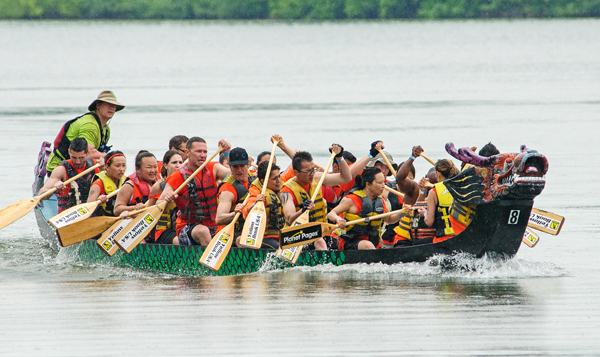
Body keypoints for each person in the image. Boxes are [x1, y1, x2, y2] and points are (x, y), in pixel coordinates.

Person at [158, 137, 232, 246]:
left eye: (205, 152)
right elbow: (159, 204)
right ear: (187, 153)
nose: (202, 155)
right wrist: (168, 200)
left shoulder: (214, 168)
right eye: (198, 151)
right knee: (203, 231)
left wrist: (226, 153)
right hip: (188, 227)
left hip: (214, 224)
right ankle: (210, 261)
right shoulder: (178, 176)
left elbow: (234, 176)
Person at [280, 144, 351, 250]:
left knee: (330, 241)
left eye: (313, 169)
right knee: (320, 242)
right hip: (297, 236)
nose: (312, 174)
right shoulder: (286, 192)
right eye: (308, 171)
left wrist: (339, 158)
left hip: (321, 232)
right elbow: (290, 218)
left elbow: (346, 178)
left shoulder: (317, 178)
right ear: (296, 173)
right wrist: (303, 210)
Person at [46, 90, 124, 175]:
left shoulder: (106, 129)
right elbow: (89, 153)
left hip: (79, 166)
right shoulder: (90, 124)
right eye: (107, 104)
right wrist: (112, 157)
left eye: (113, 105)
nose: (111, 108)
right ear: (98, 105)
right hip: (58, 167)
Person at [327, 168, 402, 250]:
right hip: (350, 241)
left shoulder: (381, 201)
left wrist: (402, 213)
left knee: (371, 245)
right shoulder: (351, 200)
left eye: (384, 182)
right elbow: (331, 214)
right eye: (379, 183)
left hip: (373, 243)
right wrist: (338, 219)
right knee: (368, 245)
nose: (383, 186)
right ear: (368, 185)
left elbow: (389, 219)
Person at [39, 137, 100, 213]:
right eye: (74, 157)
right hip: (68, 217)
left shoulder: (97, 165)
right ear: (69, 152)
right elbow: (41, 194)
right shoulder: (61, 170)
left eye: (81, 158)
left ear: (88, 153)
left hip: (92, 216)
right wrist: (53, 190)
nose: (78, 162)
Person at [416, 159, 462, 244]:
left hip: (443, 239)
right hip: (461, 237)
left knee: (416, 244)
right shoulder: (462, 187)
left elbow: (429, 222)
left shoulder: (434, 192)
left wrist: (425, 213)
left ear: (438, 174)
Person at [215, 147, 257, 241]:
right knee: (241, 240)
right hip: (229, 232)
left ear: (248, 164)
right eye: (235, 167)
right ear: (230, 167)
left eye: (242, 166)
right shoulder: (227, 189)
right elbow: (219, 219)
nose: (239, 170)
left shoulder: (253, 177)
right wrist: (235, 213)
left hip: (249, 229)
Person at [242, 161, 285, 250]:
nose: (278, 181)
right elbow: (246, 212)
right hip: (263, 238)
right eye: (274, 178)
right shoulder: (257, 192)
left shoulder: (281, 187)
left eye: (279, 177)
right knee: (278, 247)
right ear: (263, 181)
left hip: (281, 236)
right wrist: (255, 203)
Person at [147, 150, 184, 245]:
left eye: (180, 162)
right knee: (180, 242)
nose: (178, 165)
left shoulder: (187, 184)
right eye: (174, 162)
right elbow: (149, 213)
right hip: (163, 231)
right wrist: (167, 202)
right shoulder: (158, 187)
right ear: (165, 165)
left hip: (182, 227)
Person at [114, 151, 159, 216]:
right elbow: (117, 210)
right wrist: (135, 208)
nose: (153, 170)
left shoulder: (160, 183)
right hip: (136, 222)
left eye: (155, 167)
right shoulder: (129, 186)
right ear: (138, 169)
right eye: (149, 167)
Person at [87, 150, 127, 216]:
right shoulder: (98, 185)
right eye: (117, 166)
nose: (121, 169)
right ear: (107, 167)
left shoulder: (127, 182)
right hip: (103, 219)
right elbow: (88, 209)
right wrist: (98, 202)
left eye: (124, 165)